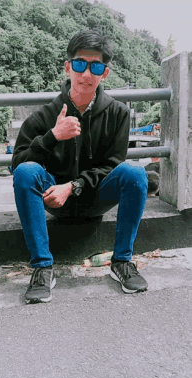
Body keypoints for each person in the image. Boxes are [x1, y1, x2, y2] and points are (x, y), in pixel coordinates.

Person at [12, 30, 148, 304]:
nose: (86, 74)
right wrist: (53, 136)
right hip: (55, 201)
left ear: (104, 73)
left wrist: (73, 186)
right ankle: (42, 267)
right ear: (67, 67)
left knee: (135, 172)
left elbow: (113, 164)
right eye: (79, 64)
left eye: (95, 66)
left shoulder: (118, 113)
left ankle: (121, 262)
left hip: (96, 197)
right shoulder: (46, 115)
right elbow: (16, 164)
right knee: (26, 172)